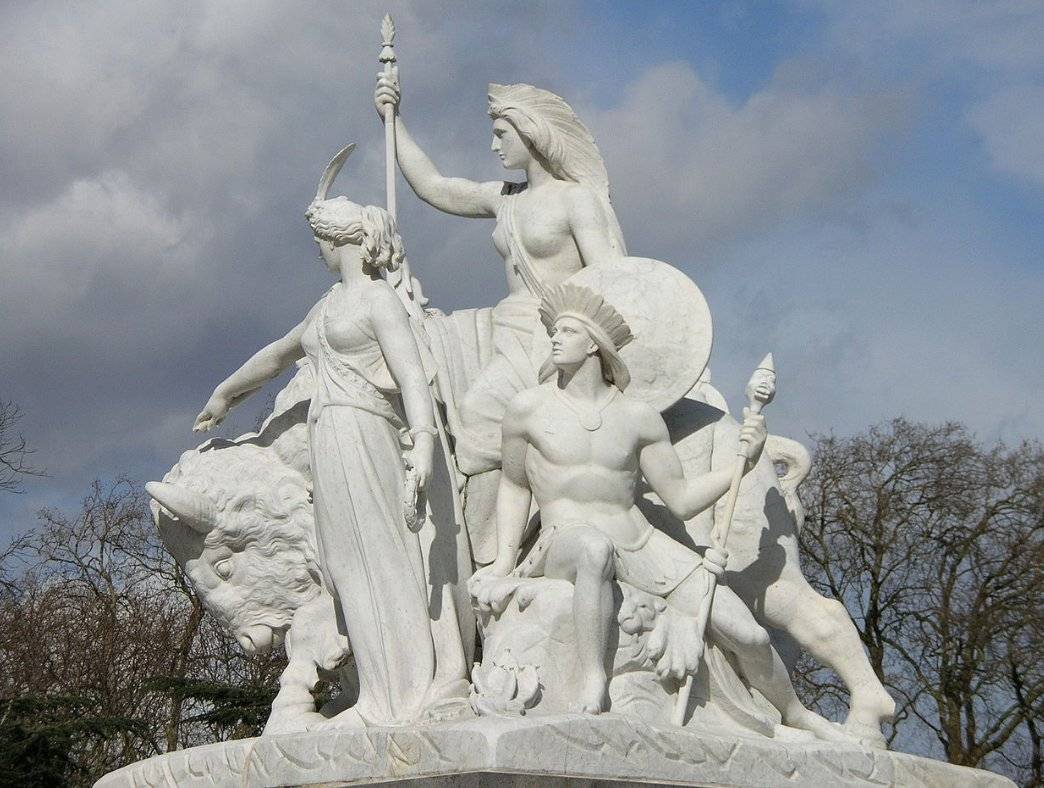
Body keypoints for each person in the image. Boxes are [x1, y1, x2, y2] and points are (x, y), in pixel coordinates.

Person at [469, 283, 853, 743]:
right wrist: (503, 562)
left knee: (747, 634)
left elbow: (682, 499)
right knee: (594, 550)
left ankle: (794, 714)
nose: (554, 337)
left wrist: (742, 465)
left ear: (593, 345)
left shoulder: (639, 417)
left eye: (567, 330)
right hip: (564, 538)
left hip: (641, 543)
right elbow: (514, 485)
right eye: (554, 330)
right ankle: (592, 680)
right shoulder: (527, 409)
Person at [193, 149, 469, 727]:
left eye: (319, 241)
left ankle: (404, 694)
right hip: (329, 438)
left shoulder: (377, 300)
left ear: (337, 240)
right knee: (345, 565)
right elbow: (275, 356)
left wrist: (423, 440)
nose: (317, 252)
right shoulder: (326, 308)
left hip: (367, 432)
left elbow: (413, 376)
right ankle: (376, 694)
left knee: (383, 554)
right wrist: (224, 393)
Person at [374, 75, 626, 476]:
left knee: (482, 416)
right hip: (510, 330)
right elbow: (434, 187)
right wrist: (394, 120)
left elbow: (610, 278)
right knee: (478, 421)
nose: (494, 145)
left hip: (555, 336)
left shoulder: (576, 199)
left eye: (501, 134)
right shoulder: (504, 198)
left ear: (531, 133)